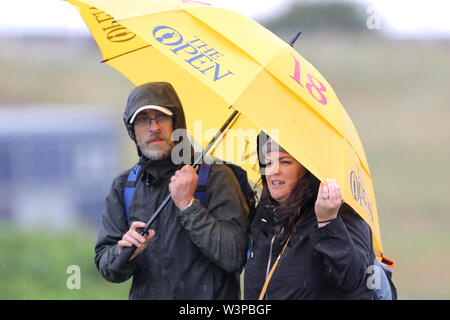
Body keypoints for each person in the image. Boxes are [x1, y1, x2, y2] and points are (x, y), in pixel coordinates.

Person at [94, 82, 249, 299]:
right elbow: (106, 266)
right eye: (143, 120)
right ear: (132, 130)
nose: (154, 127)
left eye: (162, 117)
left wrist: (188, 206)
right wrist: (122, 253)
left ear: (177, 123)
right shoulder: (124, 186)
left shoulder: (216, 177)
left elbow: (234, 257)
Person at [244, 135, 376, 299]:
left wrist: (328, 221)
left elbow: (351, 279)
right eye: (269, 162)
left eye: (285, 162)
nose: (273, 170)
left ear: (309, 170)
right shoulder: (265, 214)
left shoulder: (342, 211)